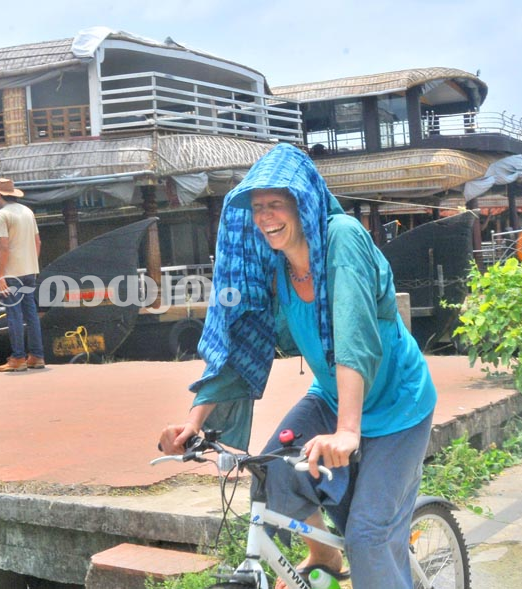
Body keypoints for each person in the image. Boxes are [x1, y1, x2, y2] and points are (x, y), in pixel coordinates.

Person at [158, 144, 436, 589]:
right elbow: (240, 339)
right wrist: (193, 423)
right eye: (257, 207)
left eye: (275, 203)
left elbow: (353, 337)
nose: (265, 217)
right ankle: (324, 554)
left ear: (303, 202)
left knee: (368, 537)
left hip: (397, 404)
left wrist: (348, 431)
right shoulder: (275, 266)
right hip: (332, 396)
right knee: (272, 474)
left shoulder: (342, 238)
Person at [0, 177, 45, 372]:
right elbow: (38, 242)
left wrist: (0, 276)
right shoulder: (28, 212)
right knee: (31, 314)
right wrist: (31, 263)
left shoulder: (1, 215)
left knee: (14, 315)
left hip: (12, 273)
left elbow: (4, 247)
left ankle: (18, 358)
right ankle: (37, 356)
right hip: (29, 271)